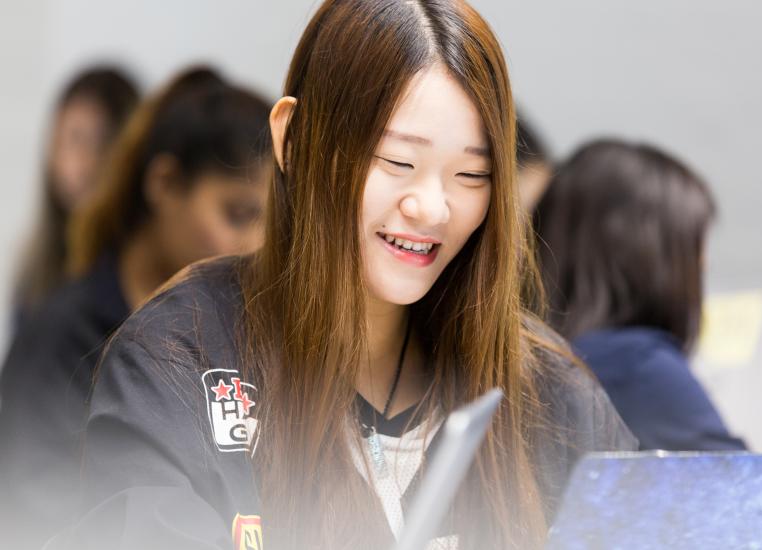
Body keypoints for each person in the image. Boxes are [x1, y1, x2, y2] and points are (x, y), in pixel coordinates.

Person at [52, 3, 636, 550]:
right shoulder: (180, 361)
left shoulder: (547, 390)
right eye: (398, 163)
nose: (432, 208)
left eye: (471, 174)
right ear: (292, 139)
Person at [0, 66, 271, 550]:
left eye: (269, 223)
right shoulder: (61, 338)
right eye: (236, 214)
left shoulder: (236, 336)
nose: (255, 245)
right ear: (164, 184)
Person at [535, 138, 747, 452]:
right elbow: (749, 488)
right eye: (694, 246)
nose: (704, 263)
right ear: (648, 253)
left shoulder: (539, 350)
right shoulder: (637, 364)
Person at [14, 66, 139, 324]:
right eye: (74, 139)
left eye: (104, 143)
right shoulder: (37, 269)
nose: (87, 164)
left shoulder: (139, 275)